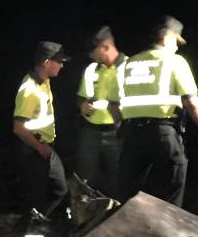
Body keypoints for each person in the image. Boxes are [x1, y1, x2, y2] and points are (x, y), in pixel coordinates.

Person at [115, 16, 198, 207]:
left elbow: (116, 103)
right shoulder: (174, 61)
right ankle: (166, 233)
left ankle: (124, 232)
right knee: (172, 186)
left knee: (127, 192)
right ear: (166, 38)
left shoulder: (128, 64)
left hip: (131, 135)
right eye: (176, 41)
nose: (177, 47)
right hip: (163, 134)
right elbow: (191, 101)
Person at [12, 41, 70, 218]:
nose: (62, 65)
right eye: (58, 61)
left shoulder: (44, 81)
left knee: (61, 189)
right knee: (34, 198)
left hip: (46, 149)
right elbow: (18, 128)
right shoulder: (29, 89)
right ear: (46, 62)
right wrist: (39, 147)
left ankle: (43, 223)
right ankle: (31, 235)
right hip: (34, 151)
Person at [75, 26, 125, 197]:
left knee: (120, 177)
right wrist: (82, 106)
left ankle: (119, 215)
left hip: (119, 132)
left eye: (93, 51)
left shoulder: (129, 67)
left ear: (105, 47)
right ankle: (81, 214)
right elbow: (81, 97)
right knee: (84, 178)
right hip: (91, 132)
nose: (90, 56)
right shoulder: (91, 69)